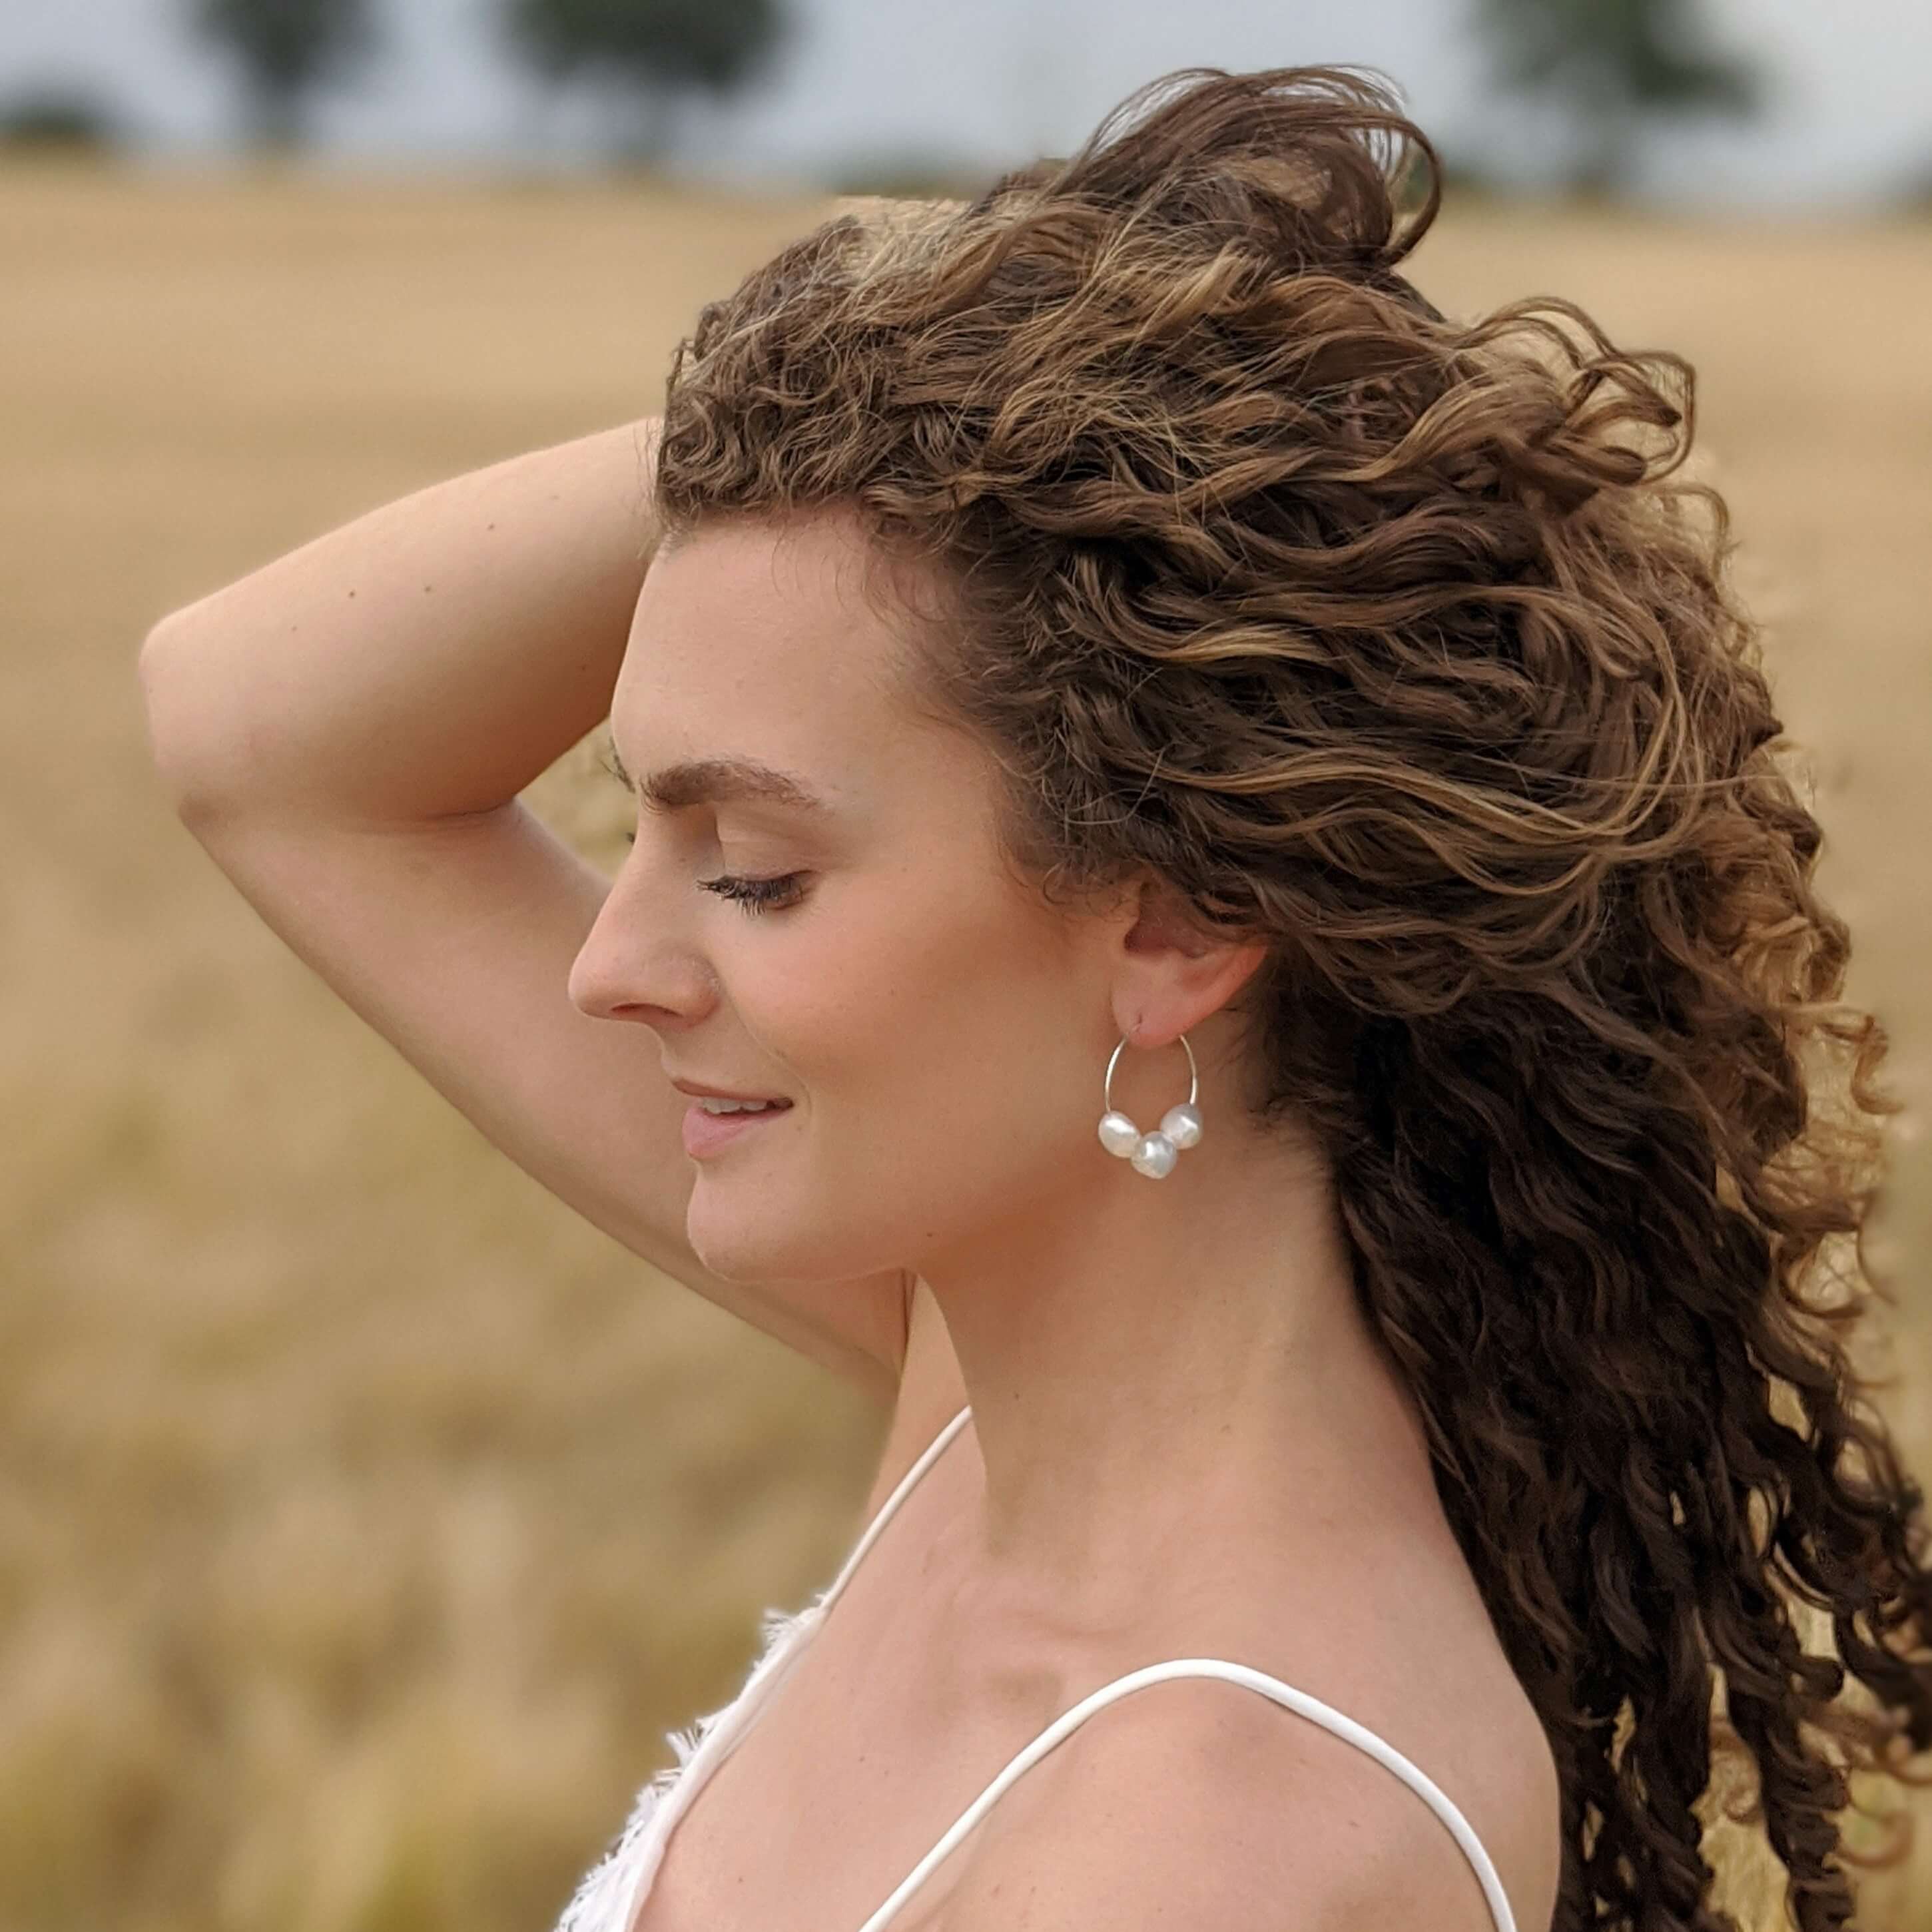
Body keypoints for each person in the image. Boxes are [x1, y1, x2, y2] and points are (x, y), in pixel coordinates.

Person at [136, 61, 1932, 1932]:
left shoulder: (1214, 1845)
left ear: (1167, 929)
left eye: (754, 869)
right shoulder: (993, 1397)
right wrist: (949, 399)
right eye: (639, 833)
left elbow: (264, 751)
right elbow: (254, 729)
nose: (611, 962)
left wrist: (988, 436)